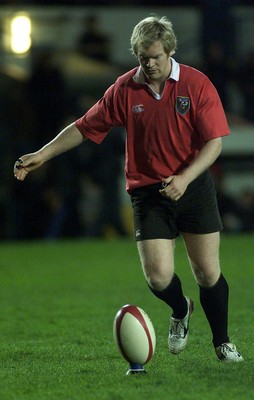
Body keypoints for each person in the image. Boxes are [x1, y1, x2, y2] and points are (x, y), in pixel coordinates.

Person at [14, 15, 243, 367]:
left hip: (192, 187)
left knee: (207, 272)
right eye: (141, 58)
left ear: (170, 51)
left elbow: (214, 144)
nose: (148, 64)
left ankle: (223, 343)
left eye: (154, 56)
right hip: (148, 193)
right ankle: (181, 310)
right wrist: (42, 155)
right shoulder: (125, 89)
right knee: (157, 277)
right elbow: (83, 126)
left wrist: (184, 178)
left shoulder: (196, 84)